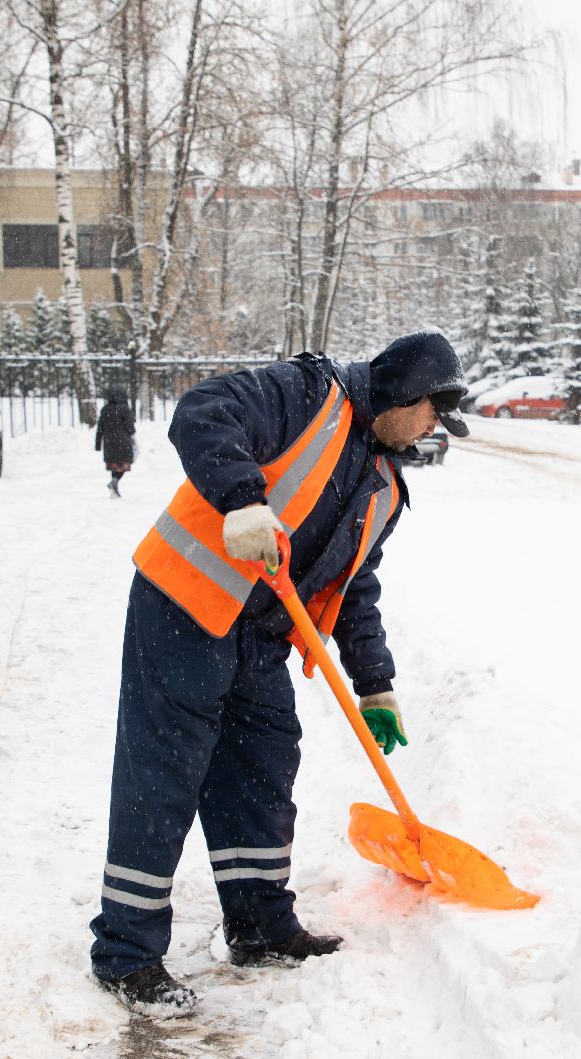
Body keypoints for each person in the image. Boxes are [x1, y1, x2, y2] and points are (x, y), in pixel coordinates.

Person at [90, 329, 469, 1018]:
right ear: (408, 392)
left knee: (262, 766)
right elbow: (202, 411)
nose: (433, 429)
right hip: (184, 602)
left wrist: (374, 683)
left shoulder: (383, 484)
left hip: (260, 633)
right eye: (433, 413)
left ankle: (260, 925)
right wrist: (242, 500)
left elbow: (356, 590)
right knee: (164, 774)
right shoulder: (308, 395)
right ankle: (127, 953)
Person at [95, 396, 138, 497]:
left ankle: (114, 486)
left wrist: (97, 444)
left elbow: (99, 428)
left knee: (114, 466)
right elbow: (131, 429)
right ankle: (114, 482)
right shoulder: (125, 409)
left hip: (109, 443)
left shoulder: (105, 410)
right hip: (123, 443)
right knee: (123, 465)